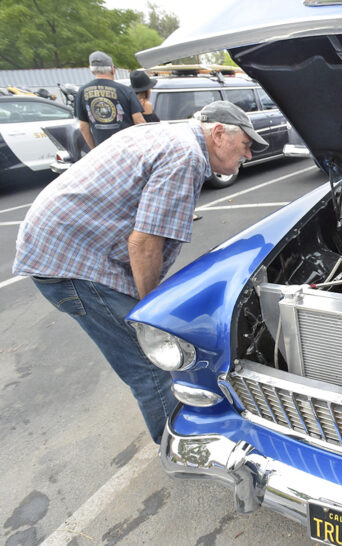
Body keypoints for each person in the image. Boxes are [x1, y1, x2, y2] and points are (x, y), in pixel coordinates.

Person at [13, 101, 268, 443]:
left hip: (63, 245)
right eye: (246, 146)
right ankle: (179, 449)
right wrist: (153, 320)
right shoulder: (186, 156)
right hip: (72, 260)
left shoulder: (168, 135)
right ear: (219, 133)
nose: (248, 156)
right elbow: (145, 242)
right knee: (154, 364)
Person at [75, 51, 145, 149]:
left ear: (91, 70)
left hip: (103, 152)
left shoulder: (82, 92)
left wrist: (95, 150)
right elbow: (139, 121)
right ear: (112, 69)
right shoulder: (126, 91)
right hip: (128, 150)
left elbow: (83, 127)